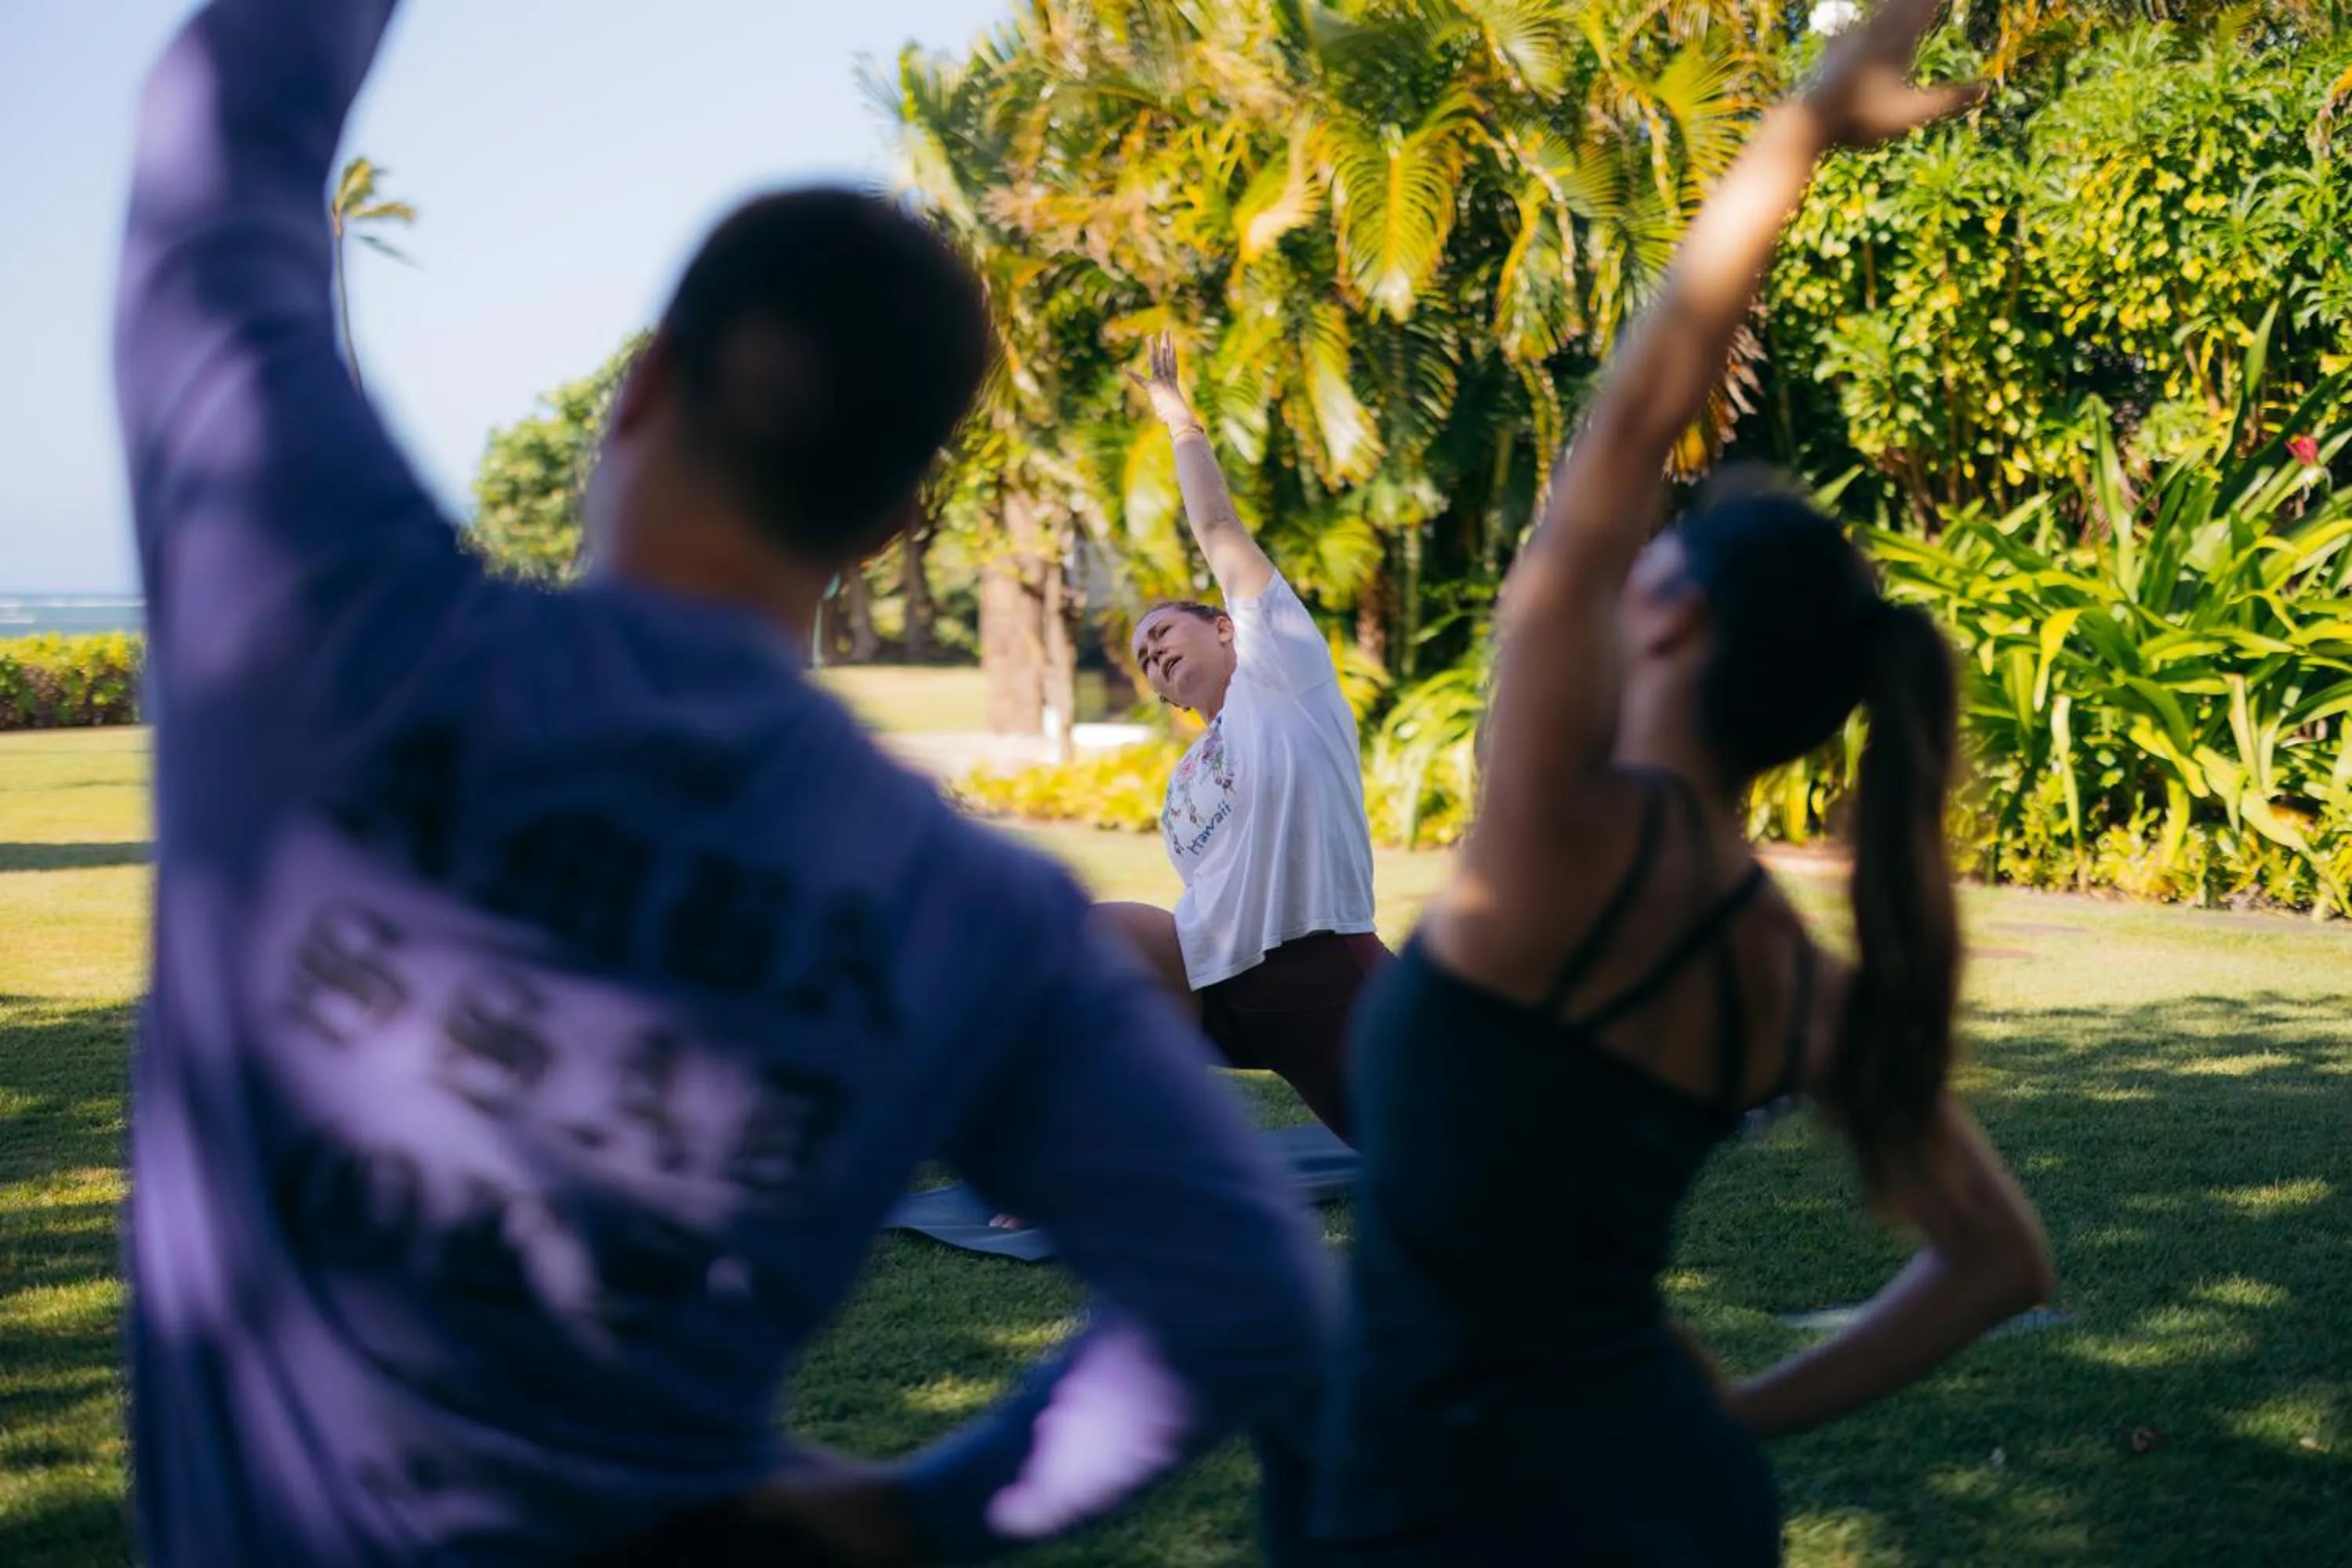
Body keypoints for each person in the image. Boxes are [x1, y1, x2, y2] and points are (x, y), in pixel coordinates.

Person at [114, 2, 1330, 1563]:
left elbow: (225, 125)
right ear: (893, 516)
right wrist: (915, 1509)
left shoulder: (313, 619)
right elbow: (1244, 1292)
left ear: (643, 388)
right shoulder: (969, 919)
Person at [1309, 2, 2056, 1562]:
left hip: (1441, 1513)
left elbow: (1633, 414)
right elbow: (1998, 1261)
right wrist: (1736, 1414)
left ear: (1676, 614)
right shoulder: (1791, 981)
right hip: (1670, 1500)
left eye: (1648, 556)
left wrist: (1795, 137)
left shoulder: (1552, 840)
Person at [1094, 335, 1388, 1142]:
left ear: (1228, 629)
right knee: (1075, 934)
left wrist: (1179, 423)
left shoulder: (1283, 675)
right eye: (1145, 656)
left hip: (1324, 976)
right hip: (1216, 988)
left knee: (1447, 1146)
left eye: (1165, 631)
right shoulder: (1183, 777)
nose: (1154, 651)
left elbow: (1218, 525)